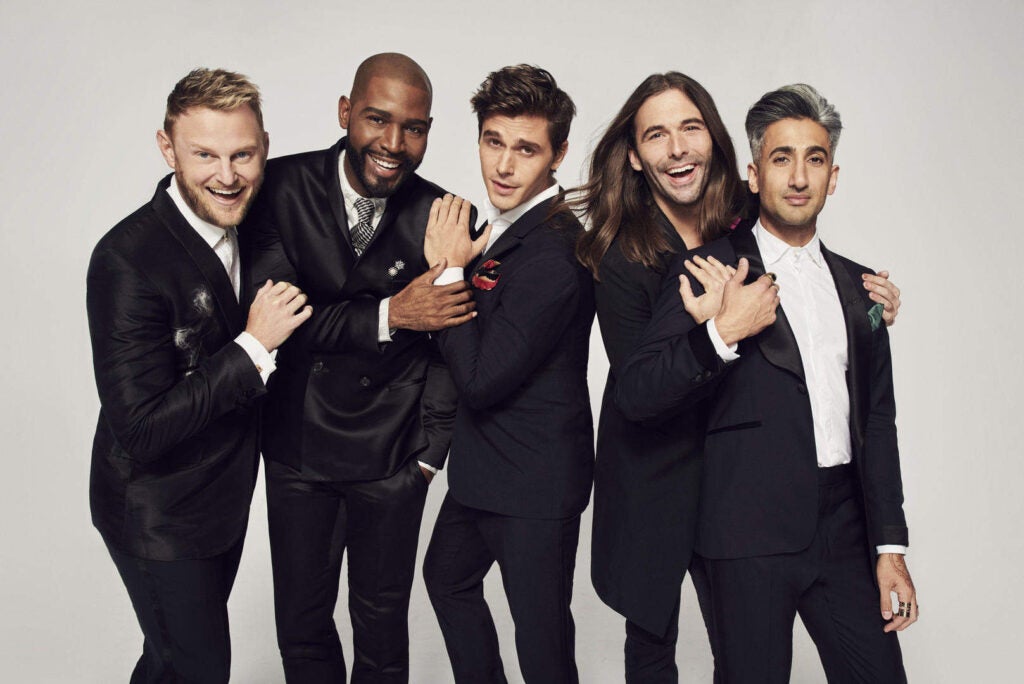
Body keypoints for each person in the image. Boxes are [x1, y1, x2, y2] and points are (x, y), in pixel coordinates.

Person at [572, 72, 905, 682]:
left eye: (690, 127)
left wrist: (866, 311)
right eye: (656, 135)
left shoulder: (747, 220)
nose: (677, 147)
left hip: (809, 505)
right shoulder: (639, 259)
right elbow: (638, 390)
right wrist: (719, 331)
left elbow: (869, 408)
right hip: (669, 483)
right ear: (636, 156)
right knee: (655, 645)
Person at [247, 53, 473, 683]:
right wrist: (392, 313)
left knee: (382, 633)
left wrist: (430, 454)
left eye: (414, 128)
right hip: (297, 448)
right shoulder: (277, 187)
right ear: (346, 112)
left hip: (394, 453)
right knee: (302, 627)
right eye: (377, 119)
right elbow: (278, 318)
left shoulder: (444, 215)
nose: (394, 144)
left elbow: (453, 345)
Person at [86, 67, 310, 683]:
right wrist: (253, 346)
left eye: (243, 155)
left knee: (169, 664)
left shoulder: (257, 220)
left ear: (265, 147)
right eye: (204, 154)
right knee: (200, 670)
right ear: (168, 148)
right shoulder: (126, 259)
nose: (227, 176)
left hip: (220, 504)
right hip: (155, 514)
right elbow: (140, 429)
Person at [420, 65, 594, 683]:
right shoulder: (501, 230)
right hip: (481, 472)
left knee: (542, 643)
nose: (503, 165)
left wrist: (448, 272)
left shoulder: (557, 253)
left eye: (526, 149)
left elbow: (481, 379)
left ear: (558, 155)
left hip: (535, 484)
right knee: (446, 578)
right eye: (493, 141)